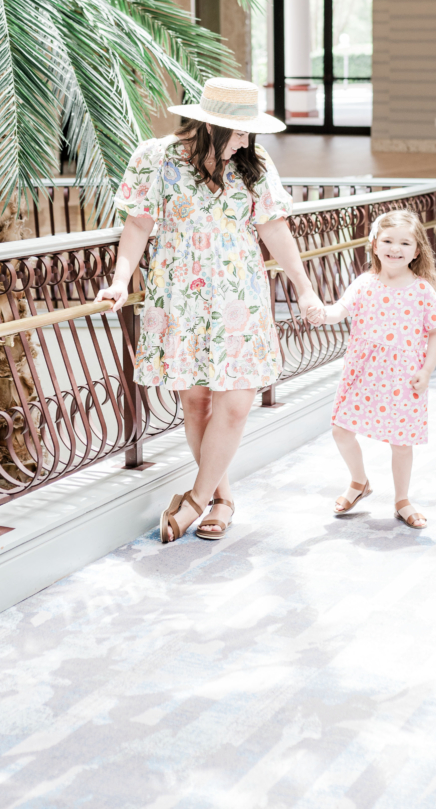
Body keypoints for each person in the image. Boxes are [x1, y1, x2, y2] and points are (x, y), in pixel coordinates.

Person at [95, 77, 325, 543]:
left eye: (248, 133)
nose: (244, 141)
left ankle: (195, 501)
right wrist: (120, 281)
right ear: (210, 125)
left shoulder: (254, 165)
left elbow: (275, 230)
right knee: (197, 402)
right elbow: (138, 225)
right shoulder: (155, 157)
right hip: (180, 297)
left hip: (240, 298)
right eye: (238, 132)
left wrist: (304, 287)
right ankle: (221, 498)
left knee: (236, 403)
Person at [320, 209, 436, 530]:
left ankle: (402, 498)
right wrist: (322, 313)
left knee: (401, 442)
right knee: (341, 430)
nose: (395, 248)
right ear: (374, 245)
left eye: (404, 243)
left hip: (403, 379)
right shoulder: (365, 283)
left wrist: (428, 370)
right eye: (388, 240)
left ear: (416, 250)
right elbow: (340, 310)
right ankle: (359, 481)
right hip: (362, 374)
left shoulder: (421, 291)